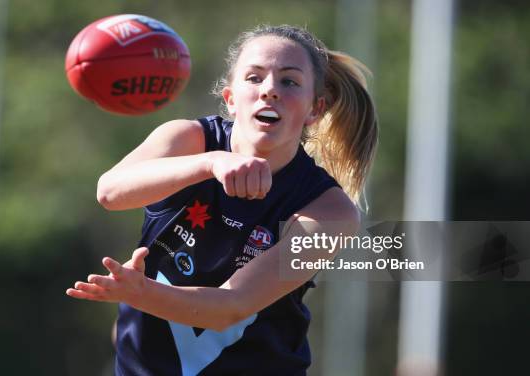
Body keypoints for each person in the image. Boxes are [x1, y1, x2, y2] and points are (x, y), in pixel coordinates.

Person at [66, 24, 378, 375]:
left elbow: (231, 306)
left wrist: (140, 293)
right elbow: (110, 191)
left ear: (314, 110)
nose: (270, 91)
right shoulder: (189, 140)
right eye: (254, 78)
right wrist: (210, 164)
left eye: (289, 81)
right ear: (230, 99)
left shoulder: (329, 209)